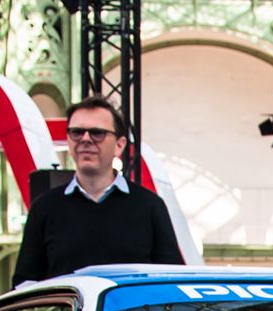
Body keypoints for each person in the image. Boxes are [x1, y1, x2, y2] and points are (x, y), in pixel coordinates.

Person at [14, 95, 184, 284]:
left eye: (97, 133)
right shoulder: (45, 207)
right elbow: (24, 283)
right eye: (77, 132)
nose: (85, 139)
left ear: (119, 145)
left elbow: (172, 279)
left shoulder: (150, 206)